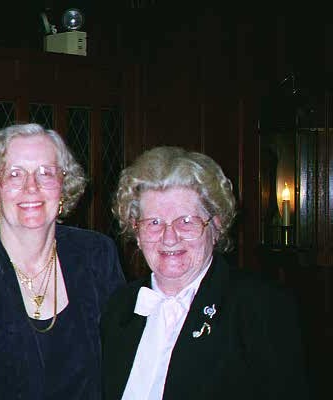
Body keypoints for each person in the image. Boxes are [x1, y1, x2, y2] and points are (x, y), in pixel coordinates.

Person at [0, 123, 125, 399]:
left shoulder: (96, 255)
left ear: (63, 186)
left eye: (46, 173)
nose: (31, 187)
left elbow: (123, 368)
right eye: (14, 174)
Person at [101, 146, 309, 400]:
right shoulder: (119, 308)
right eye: (154, 223)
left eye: (186, 221)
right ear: (137, 232)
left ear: (216, 226)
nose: (169, 238)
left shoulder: (260, 306)